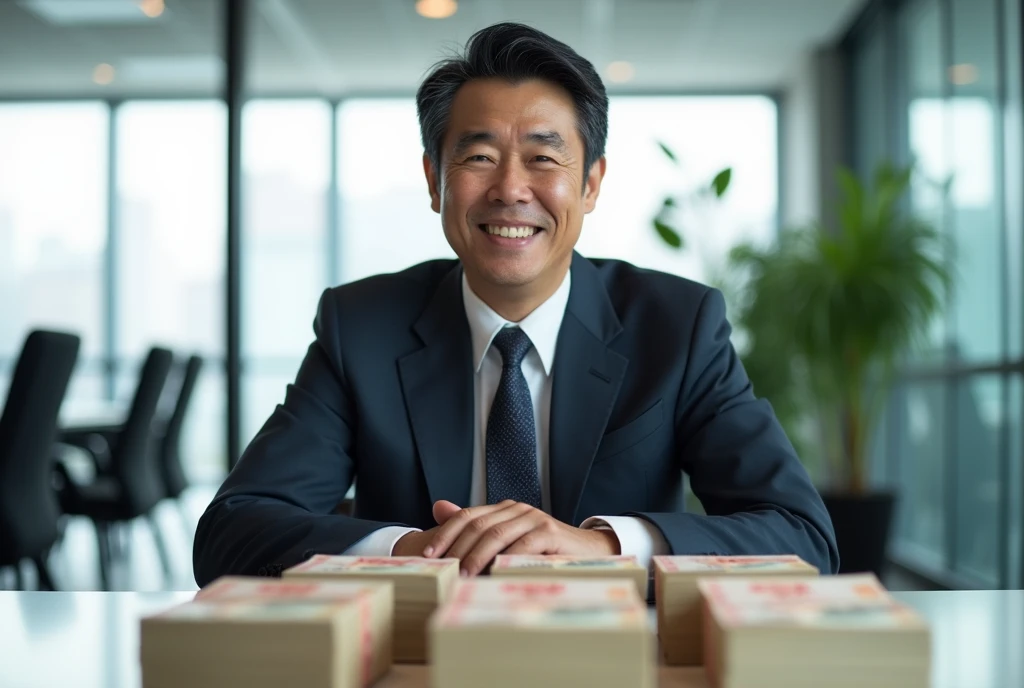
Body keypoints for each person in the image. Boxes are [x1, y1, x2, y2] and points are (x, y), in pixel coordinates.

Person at [193, 22, 839, 588]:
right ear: (433, 180)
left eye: (542, 157)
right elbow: (231, 531)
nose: (510, 189)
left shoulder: (678, 327)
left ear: (590, 185)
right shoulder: (361, 330)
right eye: (478, 156)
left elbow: (803, 536)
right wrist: (412, 553)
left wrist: (607, 547)